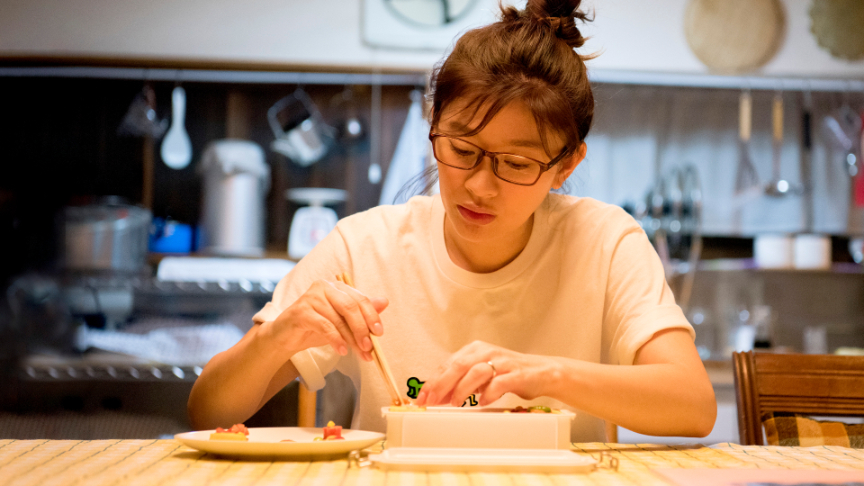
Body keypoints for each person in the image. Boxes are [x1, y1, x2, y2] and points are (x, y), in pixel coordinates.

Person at [188, 0, 716, 442]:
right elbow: (207, 412)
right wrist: (277, 336)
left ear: (566, 165)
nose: (480, 185)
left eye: (516, 164)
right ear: (432, 125)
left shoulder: (605, 242)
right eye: (462, 149)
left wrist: (542, 373)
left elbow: (693, 407)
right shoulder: (364, 248)